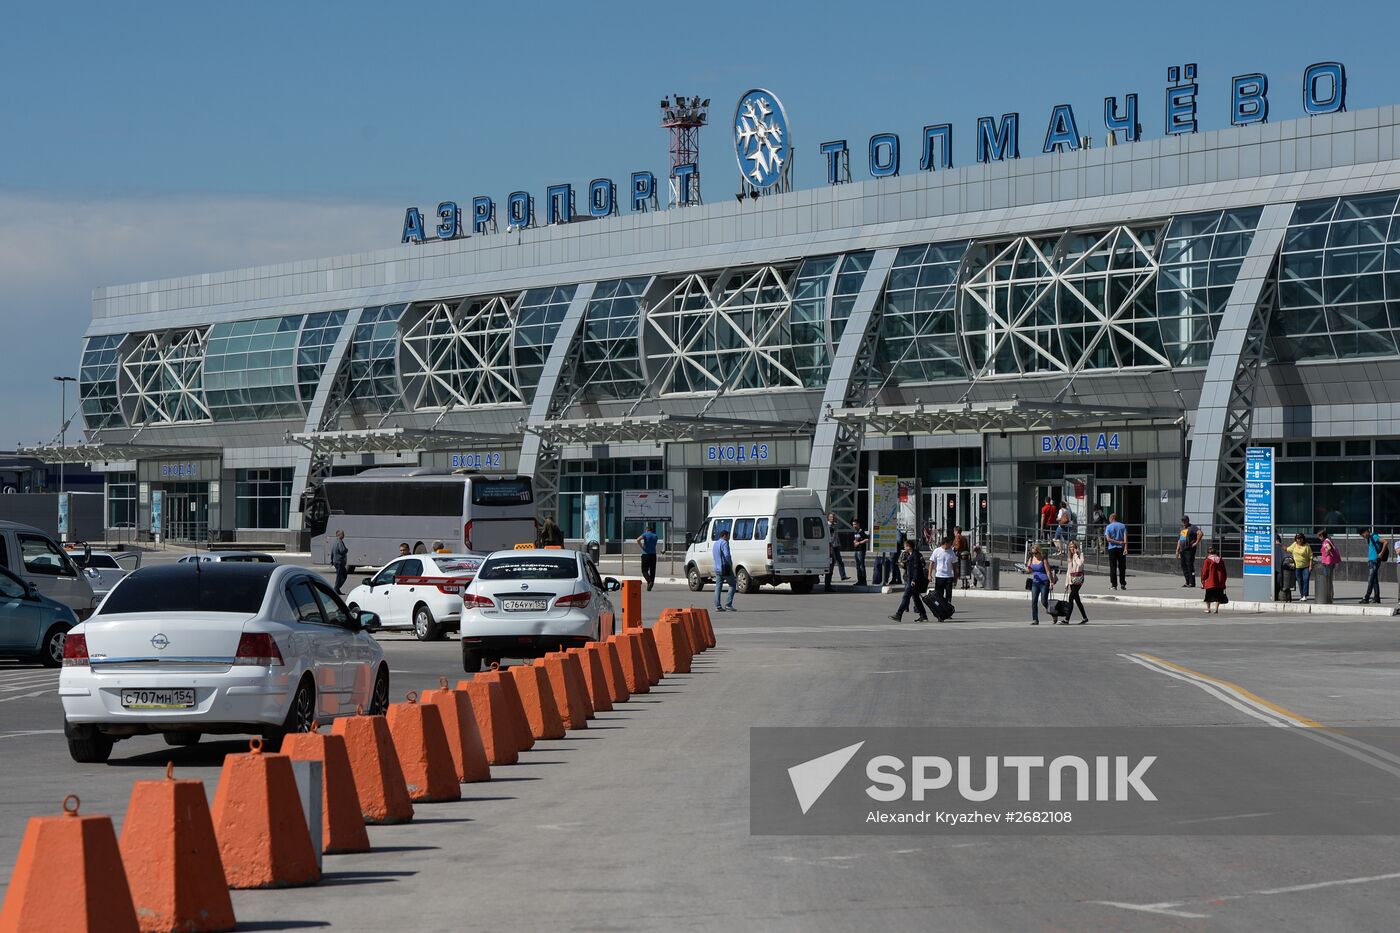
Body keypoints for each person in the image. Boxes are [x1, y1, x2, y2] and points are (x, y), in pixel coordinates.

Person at [890, 539, 929, 622]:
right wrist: (902, 565)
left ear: (908, 546)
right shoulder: (910, 555)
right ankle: (923, 615)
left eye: (905, 546)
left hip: (913, 580)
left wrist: (914, 580)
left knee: (906, 596)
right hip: (910, 578)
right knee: (916, 598)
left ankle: (898, 614)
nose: (904, 547)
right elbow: (909, 567)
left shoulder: (915, 555)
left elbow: (916, 569)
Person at [1025, 545, 1056, 625]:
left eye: (1035, 553)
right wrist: (1028, 569)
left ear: (1039, 552)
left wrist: (1051, 583)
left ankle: (1053, 613)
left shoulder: (1043, 559)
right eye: (1032, 553)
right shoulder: (1031, 559)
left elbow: (1048, 571)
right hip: (1035, 582)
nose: (1034, 555)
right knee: (1034, 601)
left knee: (1043, 601)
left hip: (1044, 582)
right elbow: (1028, 570)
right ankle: (1035, 619)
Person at [1060, 540, 1088, 624]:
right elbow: (1069, 571)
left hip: (1078, 579)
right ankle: (1085, 617)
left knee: (1071, 598)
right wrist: (1066, 583)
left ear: (1076, 547)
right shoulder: (1069, 557)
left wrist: (1076, 555)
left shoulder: (1080, 555)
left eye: (1073, 547)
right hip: (1072, 579)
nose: (1072, 548)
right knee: (1077, 600)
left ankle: (1066, 619)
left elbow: (1080, 564)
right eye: (1070, 547)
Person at [712, 529, 737, 612]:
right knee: (732, 584)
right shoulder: (724, 543)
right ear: (725, 536)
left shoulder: (715, 544)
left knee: (718, 587)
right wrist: (730, 565)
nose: (729, 538)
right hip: (725, 568)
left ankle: (718, 606)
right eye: (728, 536)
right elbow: (727, 555)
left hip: (717, 568)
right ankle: (728, 605)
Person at [1175, 516, 1203, 587]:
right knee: (1184, 565)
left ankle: (1192, 582)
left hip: (1189, 550)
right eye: (1182, 521)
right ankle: (1187, 581)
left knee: (1189, 565)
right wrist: (1177, 550)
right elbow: (1180, 540)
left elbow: (1200, 533)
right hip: (1182, 550)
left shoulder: (1192, 527)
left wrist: (1196, 542)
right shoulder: (1182, 529)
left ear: (1188, 520)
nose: (1184, 522)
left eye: (1185, 520)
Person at [1361, 526, 1385, 604]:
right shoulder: (1369, 538)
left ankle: (1367, 597)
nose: (1363, 537)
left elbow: (1385, 542)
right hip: (1371, 560)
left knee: (1370, 579)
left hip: (1375, 561)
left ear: (1366, 532)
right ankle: (1377, 598)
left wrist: (1381, 553)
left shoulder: (1374, 536)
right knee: (1374, 580)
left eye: (1363, 535)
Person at [930, 536, 956, 606]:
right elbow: (932, 562)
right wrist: (929, 575)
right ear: (945, 543)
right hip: (939, 576)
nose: (951, 545)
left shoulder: (951, 552)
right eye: (950, 543)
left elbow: (954, 565)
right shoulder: (937, 551)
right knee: (938, 594)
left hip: (949, 576)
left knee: (948, 594)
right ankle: (940, 609)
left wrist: (955, 576)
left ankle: (947, 609)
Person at [1201, 544, 1228, 613]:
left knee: (1208, 596)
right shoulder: (1221, 560)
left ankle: (1208, 609)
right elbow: (1224, 571)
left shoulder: (1207, 561)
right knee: (1218, 595)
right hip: (1219, 581)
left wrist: (1203, 580)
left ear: (1208, 553)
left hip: (1210, 581)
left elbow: (1204, 571)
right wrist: (1224, 580)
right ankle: (1216, 609)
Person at [1286, 533, 1313, 600]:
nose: (1299, 540)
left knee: (1306, 579)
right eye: (1298, 538)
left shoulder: (1307, 546)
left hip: (1305, 566)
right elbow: (1287, 549)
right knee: (1300, 581)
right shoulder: (1294, 544)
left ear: (1303, 538)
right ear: (1296, 539)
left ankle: (1305, 595)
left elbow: (1311, 556)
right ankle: (1302, 595)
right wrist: (1279, 544)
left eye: (1300, 538)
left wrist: (1310, 566)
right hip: (1297, 567)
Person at [1104, 513, 1127, 590]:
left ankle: (1114, 585)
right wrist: (1125, 548)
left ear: (1111, 518)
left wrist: (1117, 542)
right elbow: (1125, 539)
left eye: (1109, 519)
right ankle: (1123, 584)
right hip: (1121, 548)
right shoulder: (1122, 526)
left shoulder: (1109, 527)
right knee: (1122, 567)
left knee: (1113, 567)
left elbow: (1108, 539)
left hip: (1112, 549)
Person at [825, 513, 848, 590]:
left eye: (833, 517)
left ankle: (843, 576)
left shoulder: (835, 525)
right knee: (831, 564)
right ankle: (827, 585)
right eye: (831, 517)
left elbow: (836, 536)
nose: (832, 518)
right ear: (828, 518)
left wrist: (839, 543)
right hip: (831, 547)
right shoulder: (827, 525)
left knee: (840, 561)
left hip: (836, 545)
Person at [1317, 530, 1340, 602]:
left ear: (1322, 536)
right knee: (1328, 579)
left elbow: (1329, 548)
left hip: (1328, 562)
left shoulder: (1326, 541)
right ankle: (1330, 594)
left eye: (1319, 537)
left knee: (1327, 579)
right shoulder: (1328, 540)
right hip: (1329, 562)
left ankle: (1329, 595)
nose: (1319, 539)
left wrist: (1326, 554)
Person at [636, 523, 659, 591]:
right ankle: (650, 585)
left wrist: (642, 546)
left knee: (644, 570)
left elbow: (638, 539)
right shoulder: (655, 536)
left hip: (646, 554)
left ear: (647, 530)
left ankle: (649, 581)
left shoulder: (645, 534)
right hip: (653, 554)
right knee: (652, 570)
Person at [851, 520, 870, 586]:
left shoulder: (861, 531)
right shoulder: (855, 532)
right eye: (853, 524)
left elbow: (867, 539)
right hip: (856, 550)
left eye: (855, 524)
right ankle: (859, 580)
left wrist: (859, 543)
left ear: (858, 524)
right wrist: (854, 541)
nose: (854, 526)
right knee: (857, 566)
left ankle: (864, 581)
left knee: (861, 565)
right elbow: (856, 539)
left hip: (861, 550)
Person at [330, 529, 349, 593]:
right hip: (339, 562)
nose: (344, 535)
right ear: (338, 535)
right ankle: (336, 589)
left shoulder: (335, 542)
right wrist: (346, 550)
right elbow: (342, 551)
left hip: (336, 561)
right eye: (342, 534)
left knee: (340, 576)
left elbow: (332, 552)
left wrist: (332, 560)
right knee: (343, 576)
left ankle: (337, 589)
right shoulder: (339, 542)